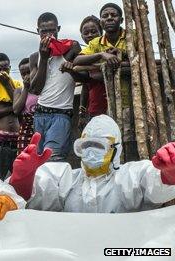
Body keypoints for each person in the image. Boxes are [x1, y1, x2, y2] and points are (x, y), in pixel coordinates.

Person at [9, 115, 175, 212]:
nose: (90, 152)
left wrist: (169, 174)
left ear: (116, 150)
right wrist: (24, 178)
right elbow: (34, 196)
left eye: (98, 145)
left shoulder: (130, 177)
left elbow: (154, 184)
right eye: (85, 145)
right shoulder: (65, 180)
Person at [73, 3, 136, 161]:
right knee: (107, 142)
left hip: (130, 100)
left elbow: (141, 57)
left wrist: (122, 55)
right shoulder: (96, 43)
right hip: (105, 103)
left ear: (121, 19)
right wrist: (102, 55)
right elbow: (78, 61)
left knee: (129, 140)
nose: (109, 18)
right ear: (101, 21)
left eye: (113, 15)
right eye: (105, 16)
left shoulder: (131, 36)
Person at [29, 12, 82, 162]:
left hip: (61, 114)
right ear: (37, 31)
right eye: (43, 31)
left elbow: (77, 49)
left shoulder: (69, 49)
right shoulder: (35, 57)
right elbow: (35, 90)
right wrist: (44, 59)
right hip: (39, 115)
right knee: (39, 160)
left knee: (53, 159)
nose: (48, 35)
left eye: (52, 30)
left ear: (58, 29)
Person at [77, 16, 107, 130]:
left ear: (101, 32)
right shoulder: (84, 56)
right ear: (82, 36)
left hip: (112, 107)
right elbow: (85, 87)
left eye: (94, 32)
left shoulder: (108, 51)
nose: (90, 35)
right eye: (86, 33)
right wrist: (82, 114)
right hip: (94, 110)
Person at [13, 58, 38, 153]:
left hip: (42, 128)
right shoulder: (19, 91)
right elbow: (16, 110)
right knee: (25, 161)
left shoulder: (42, 89)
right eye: (23, 74)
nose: (26, 76)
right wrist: (26, 88)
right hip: (26, 131)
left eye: (29, 72)